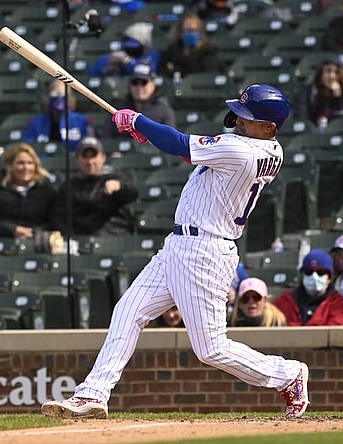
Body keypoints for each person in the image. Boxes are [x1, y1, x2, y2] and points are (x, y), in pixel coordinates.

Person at [41, 83, 310, 420]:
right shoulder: (265, 148)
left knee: (212, 349)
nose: (239, 120)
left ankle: (288, 374)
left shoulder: (244, 151)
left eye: (247, 117)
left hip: (205, 252)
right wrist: (148, 132)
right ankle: (93, 393)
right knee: (128, 310)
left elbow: (180, 143)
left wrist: (139, 121)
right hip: (180, 246)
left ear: (269, 127)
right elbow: (188, 151)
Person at [51, 136, 139, 236]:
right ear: (77, 159)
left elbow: (133, 192)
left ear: (103, 157)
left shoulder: (116, 177)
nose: (90, 162)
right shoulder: (69, 186)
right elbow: (58, 217)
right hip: (79, 238)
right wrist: (69, 237)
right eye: (85, 156)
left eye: (93, 156)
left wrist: (120, 186)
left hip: (113, 236)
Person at [0, 143, 58, 239]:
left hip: (37, 242)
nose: (26, 168)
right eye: (20, 163)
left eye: (30, 163)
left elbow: (56, 221)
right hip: (2, 241)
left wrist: (34, 232)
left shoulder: (47, 191)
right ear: (9, 165)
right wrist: (12, 230)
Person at [273, 249, 343, 326]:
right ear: (302, 275)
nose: (314, 277)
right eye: (308, 272)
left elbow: (335, 333)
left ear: (329, 278)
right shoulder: (283, 302)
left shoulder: (338, 305)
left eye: (320, 273)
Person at [100, 64, 176, 139]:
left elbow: (171, 140)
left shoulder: (163, 110)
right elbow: (107, 138)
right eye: (135, 83)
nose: (139, 87)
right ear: (130, 86)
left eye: (144, 82)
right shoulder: (119, 109)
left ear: (153, 85)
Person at [22, 79, 94, 152]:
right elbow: (28, 148)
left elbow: (87, 148)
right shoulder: (35, 122)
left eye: (63, 95)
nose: (59, 99)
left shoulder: (83, 121)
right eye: (55, 95)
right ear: (48, 98)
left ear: (70, 98)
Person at [292, 55, 343, 128]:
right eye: (328, 71)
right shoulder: (305, 92)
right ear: (320, 73)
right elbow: (300, 118)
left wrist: (337, 98)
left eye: (336, 72)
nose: (331, 76)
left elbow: (342, 125)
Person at [158, 14, 224, 79]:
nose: (191, 33)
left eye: (195, 30)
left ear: (200, 32)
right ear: (180, 33)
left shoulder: (208, 52)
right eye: (188, 30)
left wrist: (178, 70)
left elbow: (209, 74)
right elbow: (163, 72)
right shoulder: (172, 51)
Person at [87, 22, 161, 77]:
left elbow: (146, 73)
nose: (129, 44)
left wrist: (127, 62)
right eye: (127, 40)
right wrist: (108, 65)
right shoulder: (115, 56)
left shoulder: (152, 56)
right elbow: (91, 72)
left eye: (134, 42)